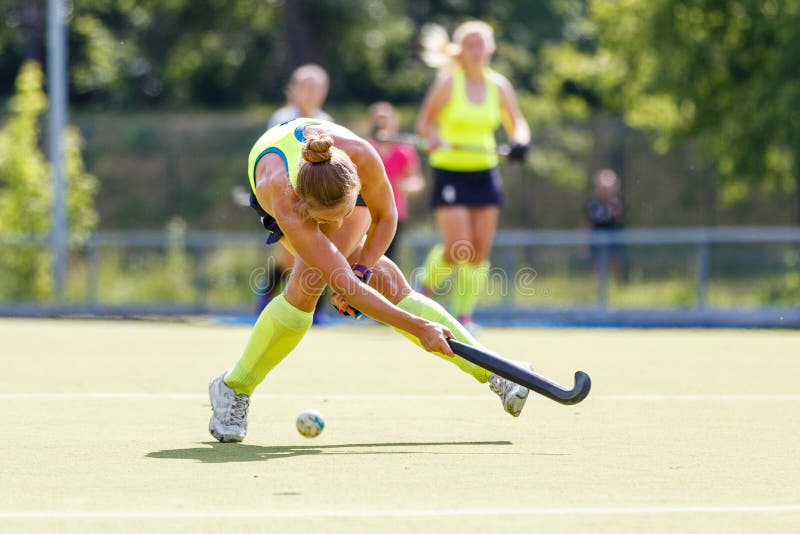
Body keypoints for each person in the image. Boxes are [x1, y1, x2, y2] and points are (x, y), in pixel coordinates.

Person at [208, 118, 532, 443]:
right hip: (277, 179)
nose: (334, 226)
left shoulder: (361, 156)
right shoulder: (284, 196)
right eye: (324, 221)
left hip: (329, 175)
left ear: (355, 190)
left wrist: (362, 268)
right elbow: (346, 286)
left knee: (381, 279)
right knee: (308, 285)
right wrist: (419, 326)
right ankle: (235, 386)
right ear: (308, 209)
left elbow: (386, 216)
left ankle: (496, 372)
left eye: (343, 214)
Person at [415, 21, 531, 332]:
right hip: (450, 171)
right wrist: (434, 136)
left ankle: (464, 317)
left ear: (490, 48)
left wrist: (520, 142)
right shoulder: (448, 84)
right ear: (461, 50)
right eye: (471, 44)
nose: (477, 51)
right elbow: (425, 123)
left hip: (485, 170)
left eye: (482, 44)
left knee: (478, 250)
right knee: (458, 247)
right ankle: (423, 289)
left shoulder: (499, 86)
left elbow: (517, 123)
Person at [258, 64, 334, 320]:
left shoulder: (327, 121)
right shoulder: (280, 118)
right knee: (289, 257)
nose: (311, 93)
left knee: (320, 253)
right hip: (287, 197)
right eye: (305, 86)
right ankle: (266, 297)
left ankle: (317, 311)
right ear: (293, 90)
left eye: (316, 87)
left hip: (316, 197)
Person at [366, 101, 425, 263]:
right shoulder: (365, 148)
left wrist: (404, 185)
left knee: (387, 261)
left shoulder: (404, 151)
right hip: (366, 213)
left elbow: (417, 180)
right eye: (378, 118)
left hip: (394, 214)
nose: (382, 123)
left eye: (386, 118)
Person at [584, 168, 626, 281]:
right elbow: (588, 223)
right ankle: (596, 289)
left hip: (613, 236)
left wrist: (611, 201)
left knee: (615, 263)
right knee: (596, 264)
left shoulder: (617, 201)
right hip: (596, 238)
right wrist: (585, 244)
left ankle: (616, 288)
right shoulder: (593, 203)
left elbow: (618, 217)